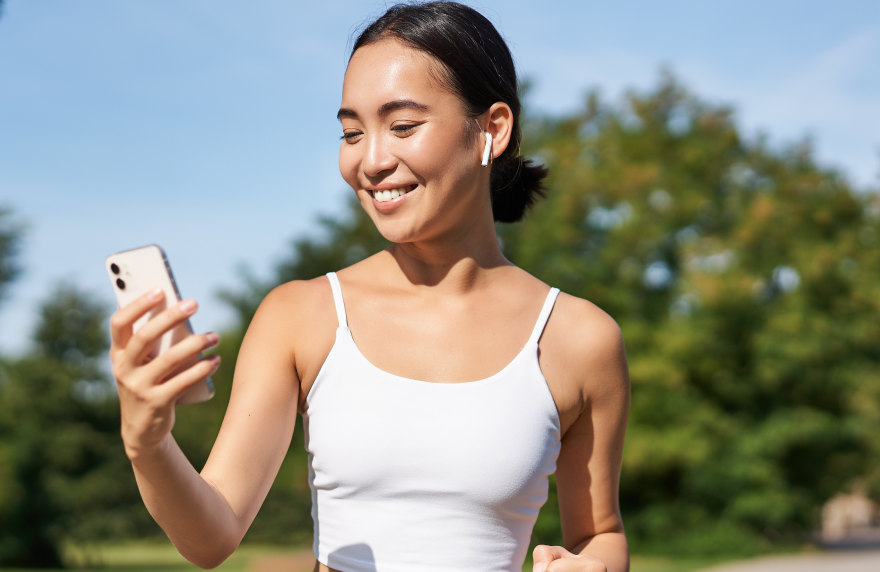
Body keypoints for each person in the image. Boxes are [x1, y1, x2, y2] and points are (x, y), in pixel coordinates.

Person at [108, 3, 631, 571]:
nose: (372, 160)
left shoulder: (580, 338)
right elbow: (210, 539)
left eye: (403, 126)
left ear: (492, 129)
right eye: (352, 132)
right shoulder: (300, 316)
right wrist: (148, 444)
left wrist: (593, 565)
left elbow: (600, 533)